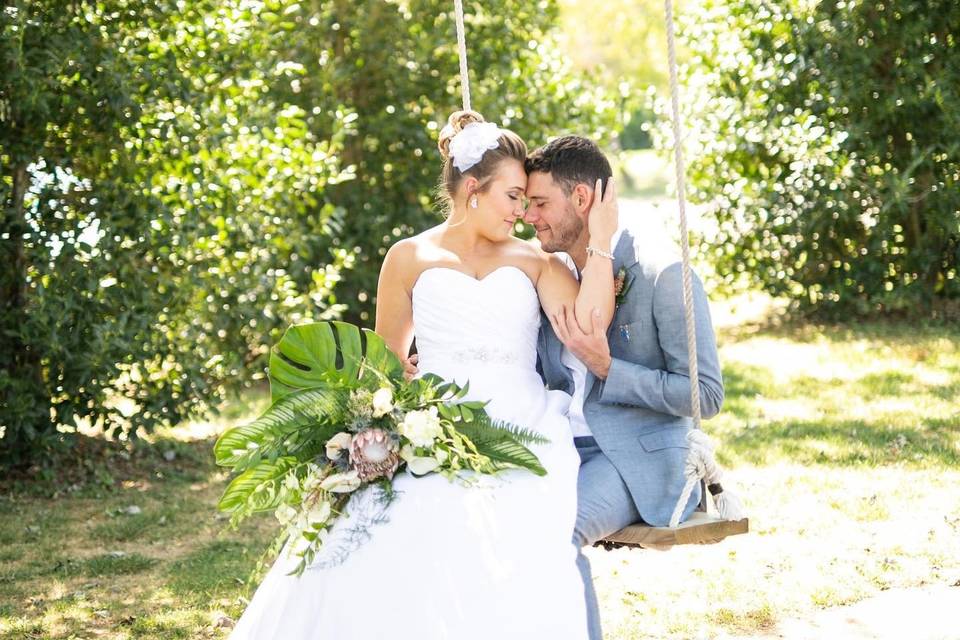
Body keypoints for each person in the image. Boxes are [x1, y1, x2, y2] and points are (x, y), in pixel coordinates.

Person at [228, 113, 619, 639]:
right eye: (512, 197)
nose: (522, 213)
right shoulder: (408, 257)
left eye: (526, 200)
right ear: (474, 190)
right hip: (430, 418)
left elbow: (591, 324)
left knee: (518, 522)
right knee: (400, 518)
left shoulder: (533, 261)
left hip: (520, 421)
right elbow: (383, 363)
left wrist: (601, 237)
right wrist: (390, 405)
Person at [523, 135, 725, 640]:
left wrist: (611, 369)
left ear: (583, 200)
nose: (530, 216)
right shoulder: (547, 275)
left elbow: (705, 394)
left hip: (631, 459)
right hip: (556, 445)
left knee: (554, 533)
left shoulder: (662, 273)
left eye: (540, 202)